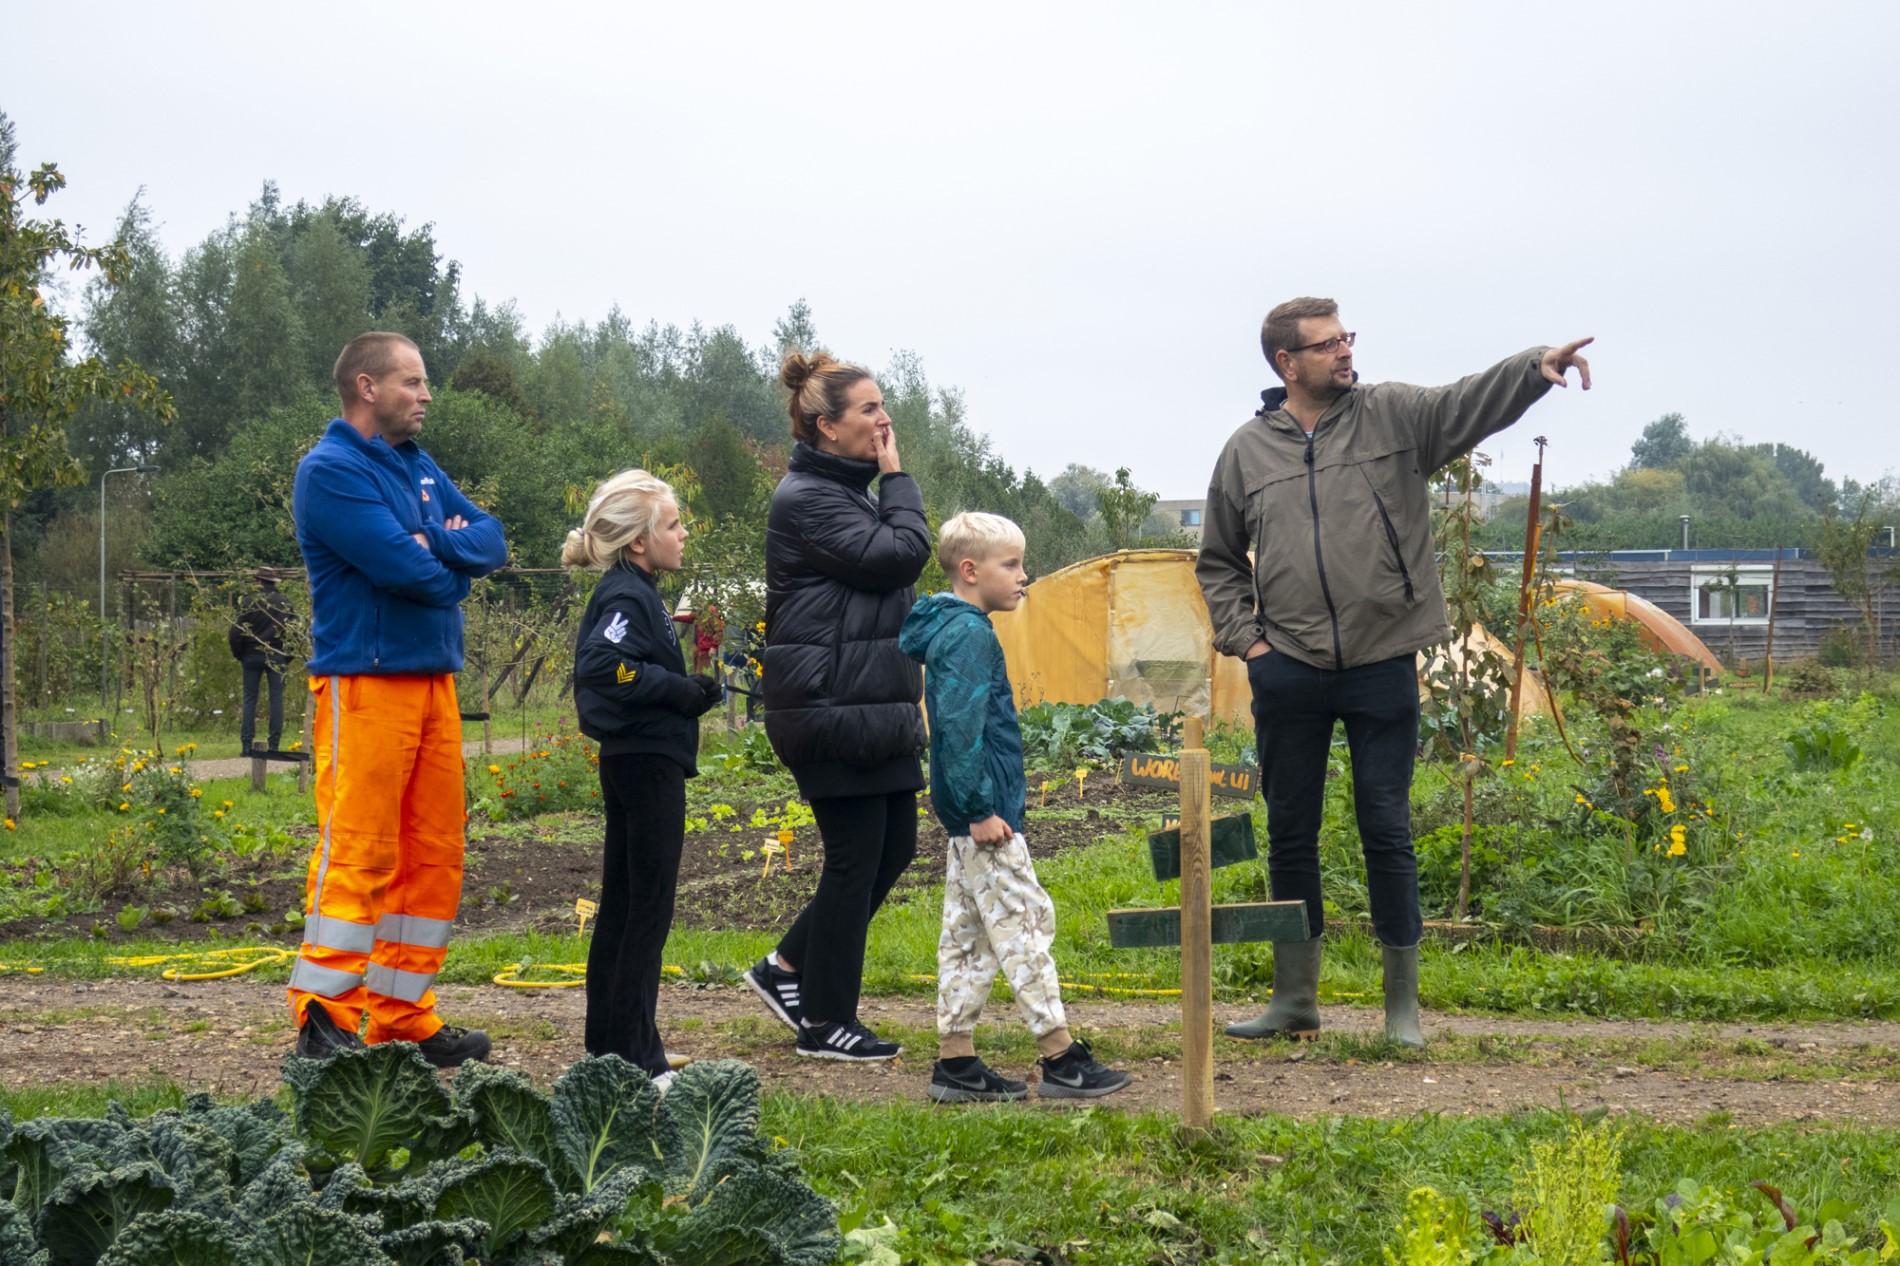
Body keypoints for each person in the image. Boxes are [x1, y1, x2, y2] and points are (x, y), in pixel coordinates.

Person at [1196, 297, 1593, 1048]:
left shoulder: (1393, 417)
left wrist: (1532, 369)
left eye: (1346, 337)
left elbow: (1464, 403)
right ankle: (1294, 999)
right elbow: (1217, 561)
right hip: (1288, 667)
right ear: (1287, 363)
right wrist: (1249, 645)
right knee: (1289, 832)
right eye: (1326, 344)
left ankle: (1401, 1012)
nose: (1345, 351)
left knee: (1386, 827)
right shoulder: (1246, 451)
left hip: (1382, 659)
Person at [287, 331, 508, 1067]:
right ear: (366, 387)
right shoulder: (330, 471)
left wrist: (432, 544)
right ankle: (324, 1019)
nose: (426, 395)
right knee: (360, 850)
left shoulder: (417, 464)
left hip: (432, 681)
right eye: (412, 382)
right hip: (366, 683)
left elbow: (493, 541)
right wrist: (444, 557)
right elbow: (406, 572)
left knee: (433, 856)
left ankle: (400, 1014)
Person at [900, 512, 1133, 1102]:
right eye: (1012, 565)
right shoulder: (970, 635)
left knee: (969, 936)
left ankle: (956, 1063)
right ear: (970, 571)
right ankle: (1061, 1058)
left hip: (969, 817)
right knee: (1026, 924)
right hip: (986, 816)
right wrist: (980, 808)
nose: (1024, 575)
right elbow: (959, 730)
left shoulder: (954, 628)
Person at [743, 351, 931, 1061]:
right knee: (854, 859)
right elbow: (901, 554)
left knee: (894, 848)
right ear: (826, 425)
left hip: (868, 704)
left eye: (883, 405)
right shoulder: (808, 498)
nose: (884, 419)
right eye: (869, 408)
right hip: (828, 704)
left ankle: (785, 967)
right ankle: (825, 1021)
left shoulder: (846, 495)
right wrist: (897, 477)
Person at [563, 470, 723, 1090]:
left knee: (625, 905)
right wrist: (675, 690)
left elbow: (627, 667)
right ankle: (636, 1061)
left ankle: (611, 1047)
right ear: (637, 541)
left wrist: (686, 690)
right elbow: (603, 665)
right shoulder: (628, 595)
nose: (683, 535)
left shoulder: (637, 591)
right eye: (673, 525)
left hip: (633, 758)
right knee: (646, 911)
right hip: (645, 763)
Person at [228, 567, 293, 754]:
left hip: (251, 654)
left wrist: (240, 653)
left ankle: (246, 746)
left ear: (258, 581)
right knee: (276, 699)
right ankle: (273, 746)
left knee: (250, 698)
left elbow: (235, 632)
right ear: (273, 582)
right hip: (277, 653)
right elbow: (295, 632)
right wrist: (287, 656)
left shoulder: (249, 601)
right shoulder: (285, 603)